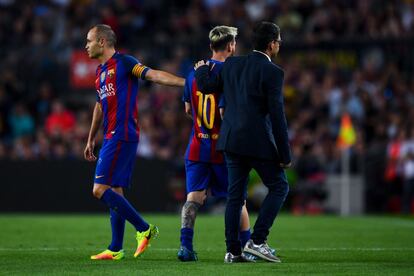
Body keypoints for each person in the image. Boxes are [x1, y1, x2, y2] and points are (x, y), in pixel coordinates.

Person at [84, 24, 185, 260]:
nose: (85, 45)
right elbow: (99, 106)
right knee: (115, 189)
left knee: (99, 189)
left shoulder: (126, 62)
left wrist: (187, 82)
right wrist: (90, 138)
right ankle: (116, 247)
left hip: (122, 134)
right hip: (110, 135)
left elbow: (154, 75)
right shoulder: (99, 73)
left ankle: (144, 228)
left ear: (102, 41)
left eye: (88, 40)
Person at [194, 22, 292, 263]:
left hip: (231, 141)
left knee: (234, 197)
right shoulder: (274, 73)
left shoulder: (233, 64)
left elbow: (207, 86)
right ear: (271, 44)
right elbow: (277, 116)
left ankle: (232, 251)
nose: (278, 45)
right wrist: (285, 154)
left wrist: (200, 69)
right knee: (279, 187)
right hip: (257, 142)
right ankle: (258, 241)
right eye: (278, 41)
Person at [178, 26, 252, 262]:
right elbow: (224, 112)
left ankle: (185, 247)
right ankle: (245, 247)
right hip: (224, 150)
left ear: (211, 46)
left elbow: (188, 110)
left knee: (193, 198)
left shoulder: (193, 74)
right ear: (231, 46)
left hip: (197, 147)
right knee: (237, 200)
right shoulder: (229, 73)